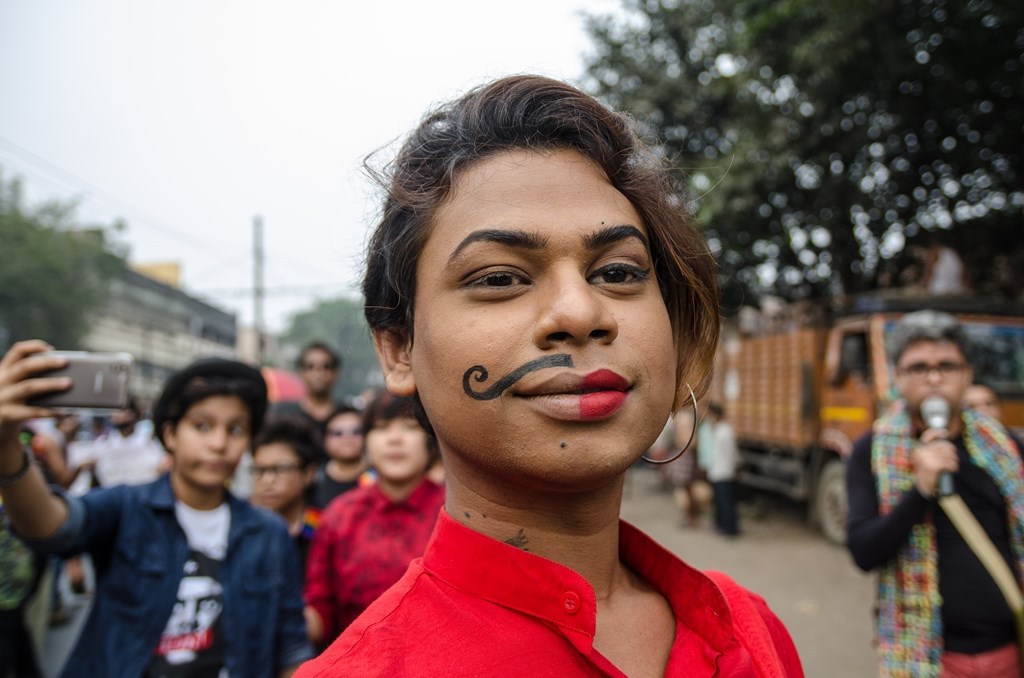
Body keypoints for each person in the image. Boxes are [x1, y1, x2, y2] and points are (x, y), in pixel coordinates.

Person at [297, 75, 802, 677]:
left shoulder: (752, 631)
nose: (581, 313)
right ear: (398, 349)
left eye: (617, 273)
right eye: (500, 278)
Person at [0, 343, 313, 677]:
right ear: (170, 433)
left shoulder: (269, 533)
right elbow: (50, 527)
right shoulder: (125, 508)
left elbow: (291, 646)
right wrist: (5, 445)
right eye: (202, 426)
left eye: (235, 429)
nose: (219, 443)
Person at [845, 310, 1024, 677]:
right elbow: (864, 551)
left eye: (947, 365)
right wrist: (920, 490)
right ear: (898, 377)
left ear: (967, 374)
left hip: (1009, 651)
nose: (934, 378)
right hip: (927, 659)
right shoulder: (870, 452)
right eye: (918, 367)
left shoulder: (1005, 447)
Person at [303, 392, 444, 650]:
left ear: (431, 440)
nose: (395, 439)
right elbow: (320, 608)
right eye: (381, 428)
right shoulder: (339, 516)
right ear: (366, 443)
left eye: (410, 427)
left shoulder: (457, 512)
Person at [249, 414, 322, 577]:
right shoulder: (243, 528)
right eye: (259, 470)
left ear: (309, 473)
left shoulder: (323, 529)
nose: (267, 480)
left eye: (280, 470)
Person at [273, 342, 343, 440]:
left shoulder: (346, 415)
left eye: (326, 367)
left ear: (336, 373)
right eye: (310, 367)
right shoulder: (283, 414)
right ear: (300, 372)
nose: (318, 373)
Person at [309, 404, 367, 509]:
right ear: (324, 440)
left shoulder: (380, 476)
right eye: (338, 433)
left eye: (356, 432)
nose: (347, 438)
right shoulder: (314, 481)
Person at [705, 402, 741, 537]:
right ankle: (721, 525)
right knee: (720, 501)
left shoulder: (725, 431)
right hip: (717, 471)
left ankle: (730, 528)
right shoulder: (717, 430)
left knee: (726, 502)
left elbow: (731, 453)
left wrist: (734, 469)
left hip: (724, 471)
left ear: (717, 415)